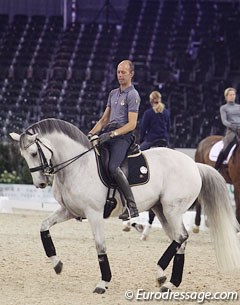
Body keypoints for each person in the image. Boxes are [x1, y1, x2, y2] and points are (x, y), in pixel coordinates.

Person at [88, 60, 141, 221]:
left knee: (112, 167)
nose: (120, 75)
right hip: (109, 132)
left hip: (123, 137)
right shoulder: (113, 93)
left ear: (131, 74)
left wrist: (112, 135)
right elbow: (104, 119)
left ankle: (132, 206)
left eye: (123, 72)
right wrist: (90, 134)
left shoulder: (133, 95)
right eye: (118, 72)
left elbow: (132, 124)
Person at [215, 87, 240, 171]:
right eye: (230, 95)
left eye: (233, 94)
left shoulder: (239, 107)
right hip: (231, 130)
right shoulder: (223, 108)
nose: (232, 96)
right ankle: (219, 166)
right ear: (226, 96)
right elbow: (224, 121)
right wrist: (233, 126)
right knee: (227, 147)